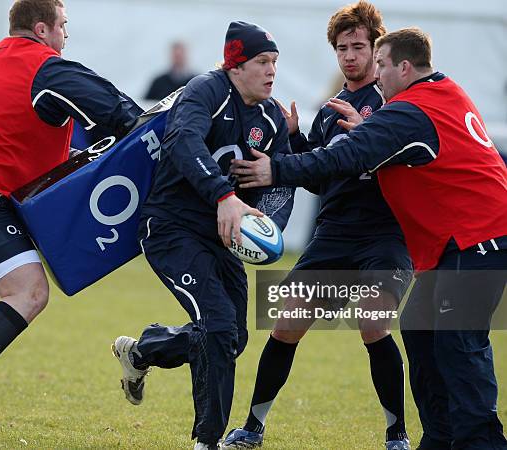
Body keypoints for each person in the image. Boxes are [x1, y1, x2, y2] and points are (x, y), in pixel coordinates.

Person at [231, 27, 507, 450]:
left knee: (457, 344)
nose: (373, 72)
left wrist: (277, 169)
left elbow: (347, 156)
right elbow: (348, 162)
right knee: (419, 328)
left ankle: (480, 443)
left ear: (404, 66)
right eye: (344, 49)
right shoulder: (443, 91)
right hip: (451, 242)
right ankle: (437, 439)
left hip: (478, 238)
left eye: (377, 61)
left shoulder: (407, 111)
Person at [0, 0, 143, 436]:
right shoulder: (45, 66)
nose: (66, 36)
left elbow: (8, 134)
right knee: (30, 292)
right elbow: (115, 109)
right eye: (63, 26)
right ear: (42, 29)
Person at [224, 3, 413, 449]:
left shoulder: (394, 104)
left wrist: (369, 130)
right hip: (334, 235)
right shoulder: (329, 113)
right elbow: (322, 180)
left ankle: (397, 434)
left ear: (376, 48)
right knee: (285, 324)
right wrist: (293, 139)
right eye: (342, 48)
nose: (350, 56)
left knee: (373, 320)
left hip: (383, 234)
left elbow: (395, 161)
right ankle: (252, 428)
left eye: (359, 47)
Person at [111, 21, 294, 450]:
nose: (272, 71)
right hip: (171, 229)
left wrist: (268, 227)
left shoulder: (271, 117)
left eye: (275, 63)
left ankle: (143, 351)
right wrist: (224, 195)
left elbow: (281, 182)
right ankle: (208, 441)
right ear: (236, 66)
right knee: (218, 327)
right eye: (262, 62)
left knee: (233, 338)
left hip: (223, 237)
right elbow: (182, 141)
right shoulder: (206, 91)